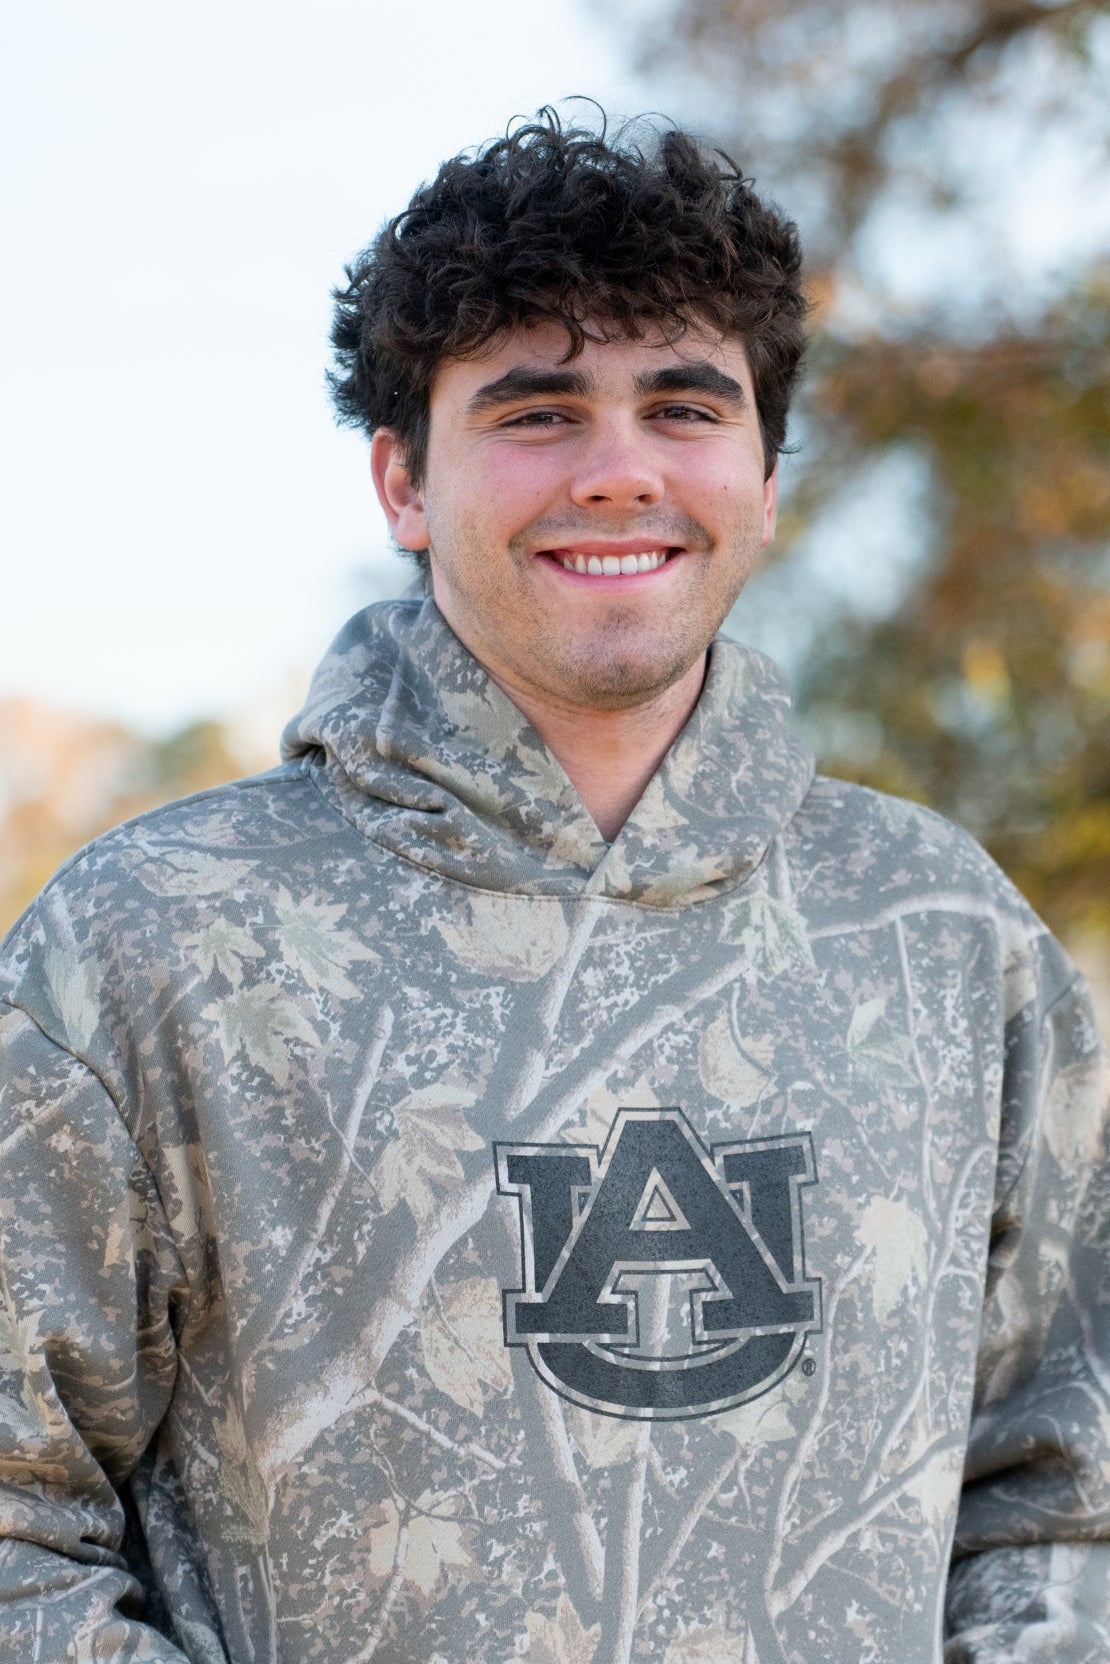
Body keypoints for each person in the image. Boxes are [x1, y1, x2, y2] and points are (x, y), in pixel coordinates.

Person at [0, 109, 1107, 1664]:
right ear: (400, 480)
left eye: (682, 405)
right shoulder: (150, 943)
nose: (616, 472)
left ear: (766, 477)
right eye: (535, 412)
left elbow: (1066, 1495)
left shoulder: (943, 938)